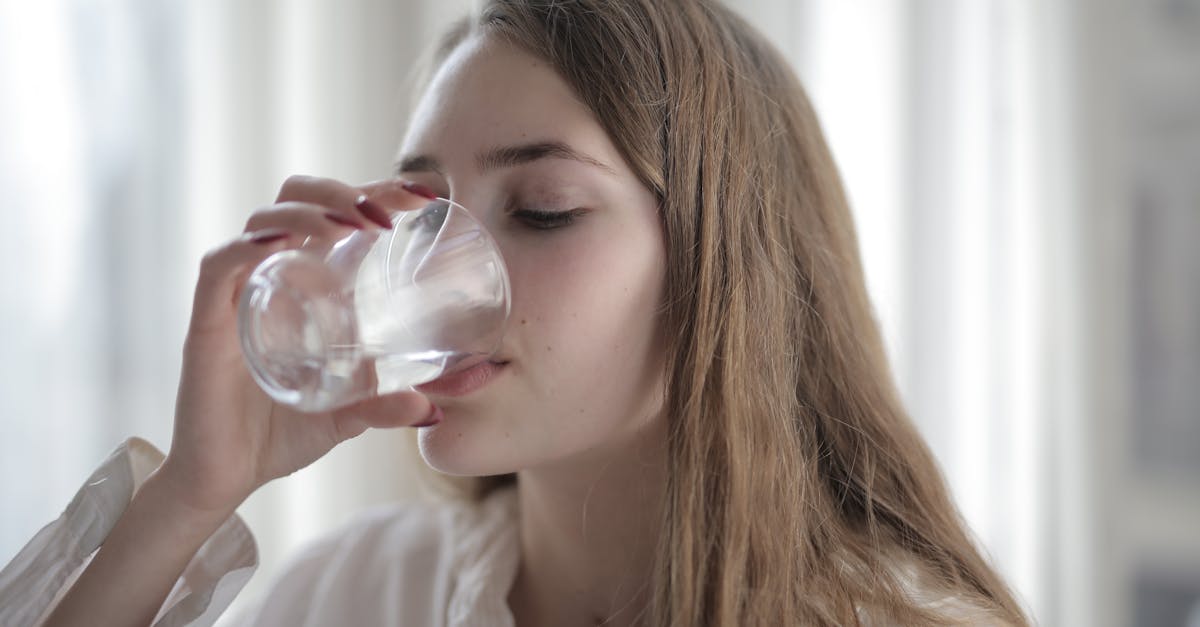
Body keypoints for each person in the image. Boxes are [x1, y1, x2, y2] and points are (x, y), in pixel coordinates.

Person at [0, 1, 1030, 625]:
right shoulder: (366, 594)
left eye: (541, 211)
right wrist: (190, 495)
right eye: (423, 214)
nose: (438, 277)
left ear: (725, 266)